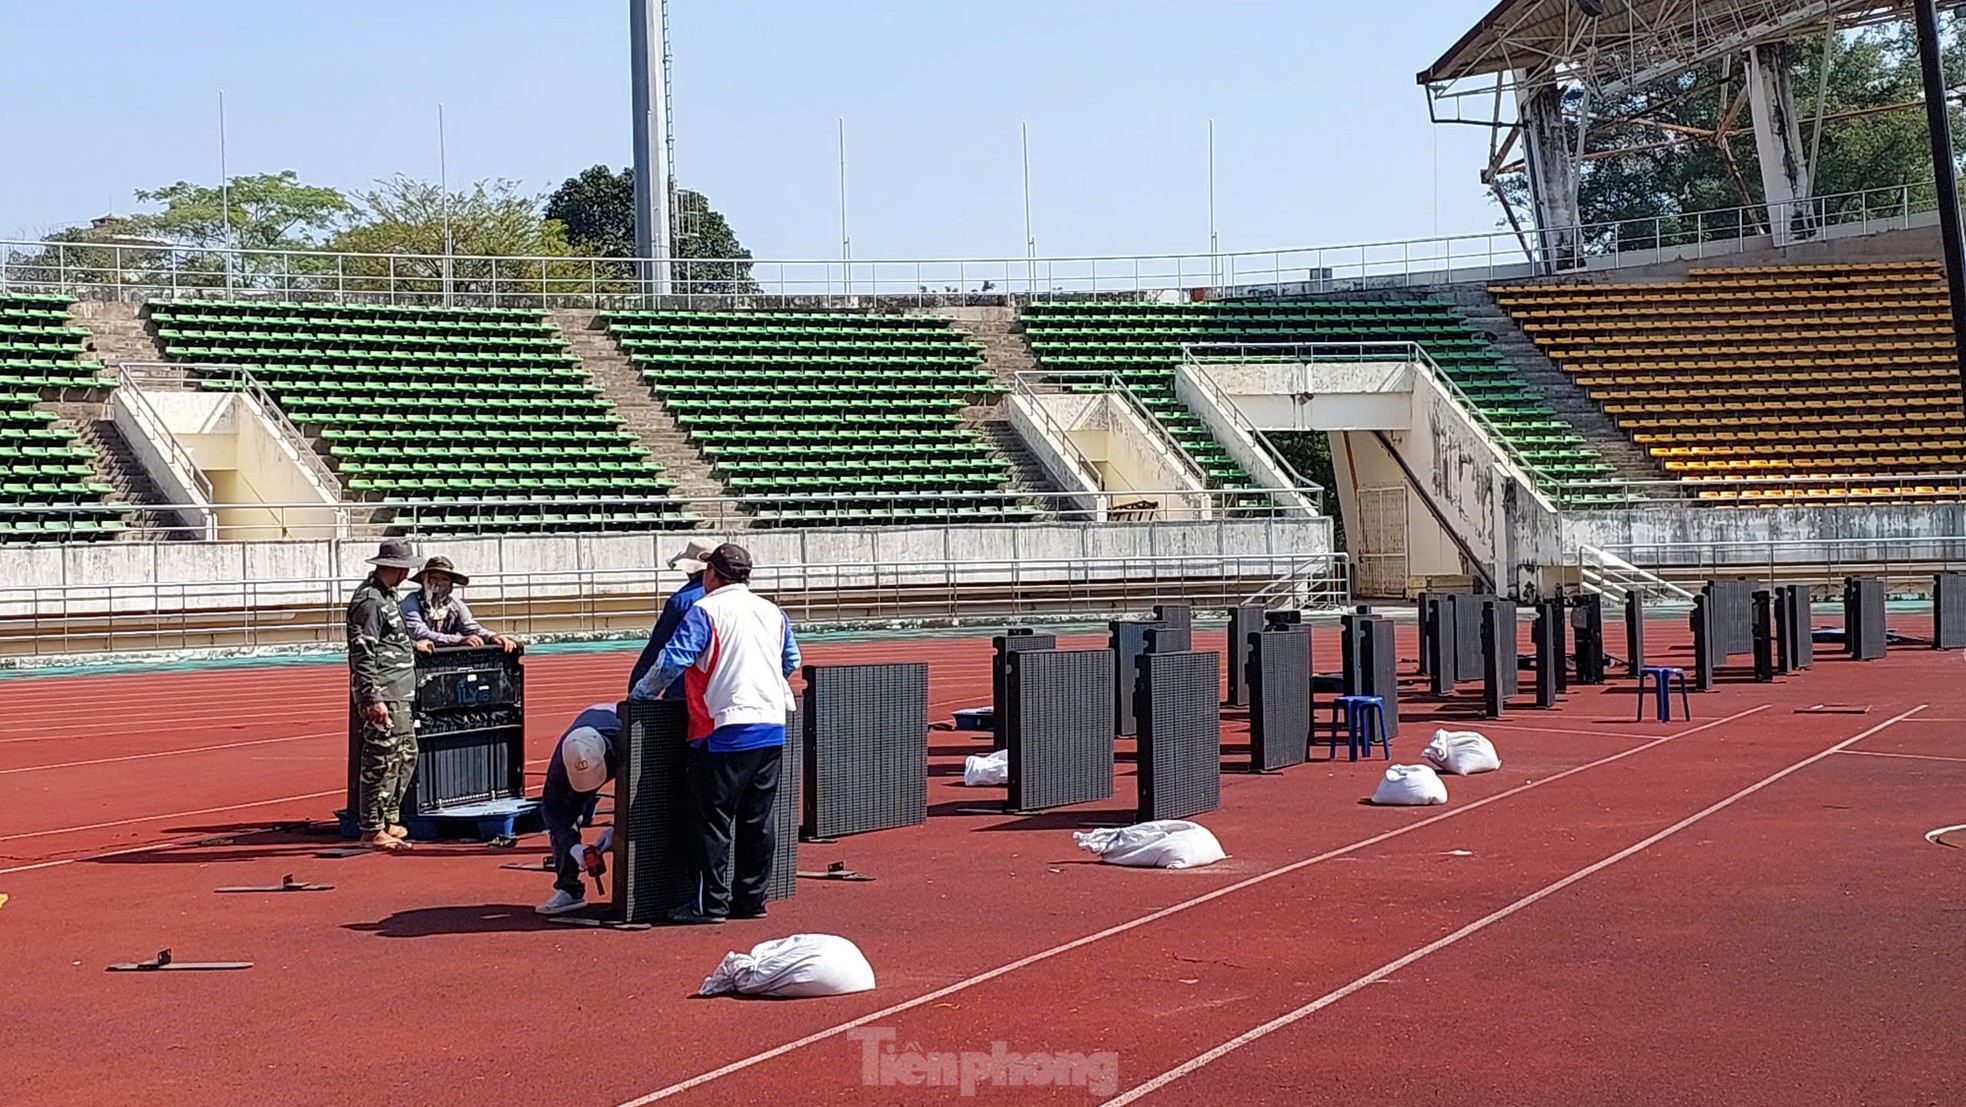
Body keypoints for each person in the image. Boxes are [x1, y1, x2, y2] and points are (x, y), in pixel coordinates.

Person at [630, 543, 799, 925]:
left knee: (710, 820)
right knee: (757, 819)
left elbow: (672, 660)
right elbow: (791, 660)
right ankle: (752, 900)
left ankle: (710, 904)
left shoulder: (705, 610)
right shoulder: (773, 612)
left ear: (711, 574)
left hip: (721, 727)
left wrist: (640, 694)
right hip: (771, 724)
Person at [346, 538, 424, 852]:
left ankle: (389, 817)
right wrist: (371, 697)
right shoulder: (370, 601)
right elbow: (363, 652)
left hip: (399, 690)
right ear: (396, 569)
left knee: (405, 756)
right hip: (385, 692)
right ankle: (372, 827)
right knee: (379, 760)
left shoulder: (388, 597)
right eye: (405, 569)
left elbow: (389, 641)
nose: (407, 575)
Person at [535, 703, 622, 916]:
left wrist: (620, 828)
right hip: (592, 747)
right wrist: (574, 847)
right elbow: (552, 810)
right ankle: (568, 888)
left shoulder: (626, 739)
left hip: (616, 744)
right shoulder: (560, 764)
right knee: (564, 816)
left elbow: (645, 796)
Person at [627, 536, 717, 697]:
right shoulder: (745, 602)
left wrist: (637, 688)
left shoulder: (681, 601)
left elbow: (659, 648)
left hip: (686, 690)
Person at [401, 556, 516, 653]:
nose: (439, 583)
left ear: (451, 584)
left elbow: (471, 628)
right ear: (424, 581)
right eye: (433, 578)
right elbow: (420, 633)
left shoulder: (455, 605)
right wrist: (459, 640)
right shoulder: (411, 602)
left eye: (444, 579)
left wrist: (492, 637)